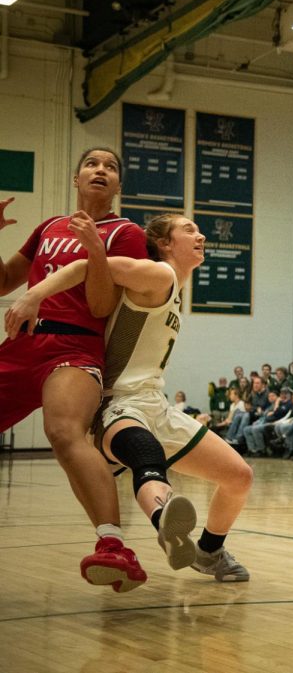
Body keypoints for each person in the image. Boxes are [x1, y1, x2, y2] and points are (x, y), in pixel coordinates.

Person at [6, 213, 253, 582]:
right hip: (116, 400)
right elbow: (84, 266)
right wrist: (33, 295)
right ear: (166, 244)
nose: (200, 235)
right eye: (189, 230)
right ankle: (164, 521)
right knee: (146, 454)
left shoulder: (175, 287)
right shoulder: (158, 275)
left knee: (239, 477)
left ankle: (210, 551)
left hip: (155, 403)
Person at [0, 148, 151, 592]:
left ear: (118, 185)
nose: (100, 170)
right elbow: (5, 282)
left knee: (64, 433)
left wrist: (93, 252)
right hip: (22, 343)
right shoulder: (49, 227)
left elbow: (103, 306)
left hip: (74, 345)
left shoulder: (126, 233)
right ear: (76, 177)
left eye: (111, 167)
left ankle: (114, 546)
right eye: (92, 164)